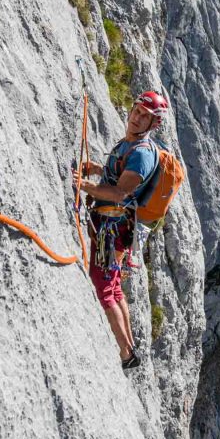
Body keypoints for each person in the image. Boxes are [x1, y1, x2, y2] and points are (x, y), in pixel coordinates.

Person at [72, 90, 168, 369]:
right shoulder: (131, 144)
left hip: (112, 230)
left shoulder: (142, 154)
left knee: (103, 285)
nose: (137, 118)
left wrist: (84, 185)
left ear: (153, 124)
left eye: (145, 116)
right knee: (114, 287)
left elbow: (119, 193)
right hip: (115, 227)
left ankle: (126, 353)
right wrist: (96, 169)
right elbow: (117, 174)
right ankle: (131, 346)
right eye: (137, 111)